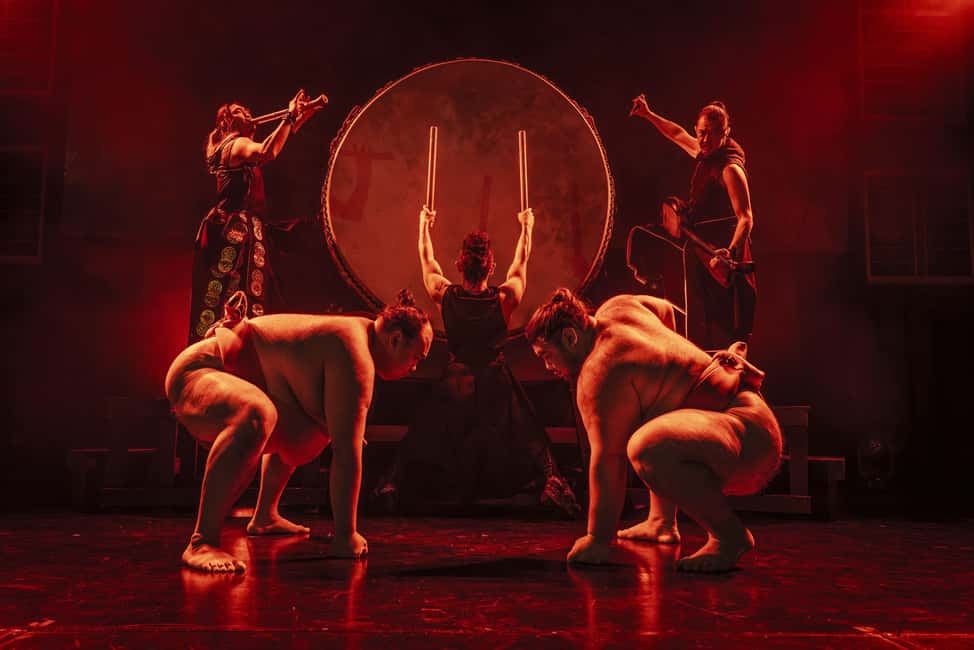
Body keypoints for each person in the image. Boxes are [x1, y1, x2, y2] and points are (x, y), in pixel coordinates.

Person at [165, 290, 434, 572]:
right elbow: (346, 452)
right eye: (416, 357)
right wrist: (346, 536)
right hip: (197, 373)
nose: (414, 368)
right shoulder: (355, 353)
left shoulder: (358, 336)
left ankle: (265, 515)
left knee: (310, 427)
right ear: (395, 339)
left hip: (238, 378)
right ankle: (201, 541)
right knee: (257, 414)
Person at [526, 289, 782, 572]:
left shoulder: (597, 374)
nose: (547, 366)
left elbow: (607, 460)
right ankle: (661, 521)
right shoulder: (618, 307)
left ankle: (729, 537)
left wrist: (597, 539)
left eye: (547, 355)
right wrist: (674, 382)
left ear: (570, 338)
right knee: (655, 418)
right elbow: (665, 311)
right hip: (748, 419)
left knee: (645, 447)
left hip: (746, 437)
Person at [375, 207, 579, 516]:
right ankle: (554, 481)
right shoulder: (505, 297)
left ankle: (390, 484)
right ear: (491, 266)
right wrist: (527, 228)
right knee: (529, 430)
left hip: (457, 380)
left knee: (423, 430)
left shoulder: (443, 293)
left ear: (459, 263)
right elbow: (521, 261)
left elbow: (426, 259)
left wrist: (423, 226)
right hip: (494, 380)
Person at [189, 89, 322, 342]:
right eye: (240, 112)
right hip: (234, 232)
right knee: (236, 296)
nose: (248, 115)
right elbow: (267, 152)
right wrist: (289, 117)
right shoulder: (236, 144)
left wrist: (300, 116)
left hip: (230, 228)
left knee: (231, 297)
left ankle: (225, 348)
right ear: (227, 122)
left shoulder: (231, 145)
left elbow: (276, 140)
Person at [630, 95, 757, 349]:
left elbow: (746, 217)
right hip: (701, 243)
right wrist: (648, 114)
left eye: (713, 133)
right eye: (701, 133)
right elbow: (677, 134)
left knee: (721, 326)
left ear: (726, 133)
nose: (705, 139)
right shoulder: (705, 150)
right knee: (643, 237)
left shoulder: (730, 169)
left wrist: (729, 253)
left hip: (722, 249)